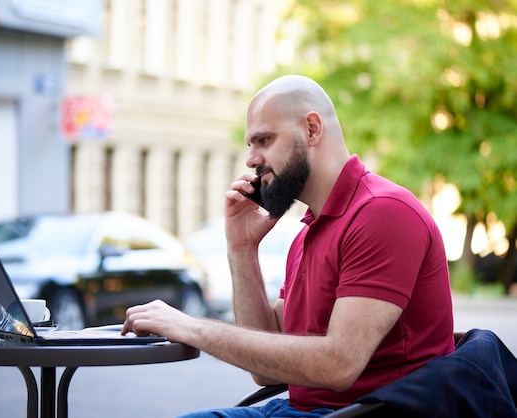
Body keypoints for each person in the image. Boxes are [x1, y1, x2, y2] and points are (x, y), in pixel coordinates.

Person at [121, 75, 455, 417]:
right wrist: (242, 249)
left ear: (311, 129)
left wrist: (191, 327)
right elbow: (265, 370)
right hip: (303, 410)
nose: (251, 159)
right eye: (251, 144)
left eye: (263, 140)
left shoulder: (383, 213)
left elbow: (339, 364)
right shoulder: (308, 232)